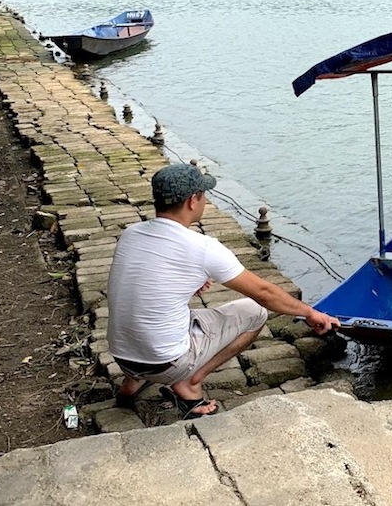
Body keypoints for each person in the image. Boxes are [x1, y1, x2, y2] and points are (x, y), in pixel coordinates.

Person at [106, 163, 339, 418]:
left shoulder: (131, 233)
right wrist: (309, 313)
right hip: (165, 361)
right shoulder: (202, 247)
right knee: (255, 312)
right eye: (204, 194)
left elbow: (144, 285)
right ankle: (190, 381)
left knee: (151, 315)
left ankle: (133, 380)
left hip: (121, 354)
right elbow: (264, 293)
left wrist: (190, 283)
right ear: (193, 200)